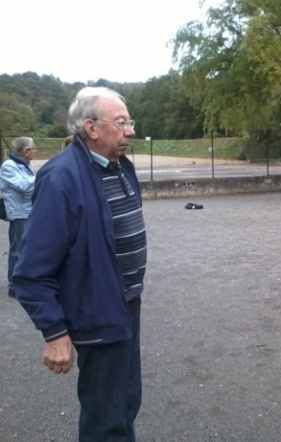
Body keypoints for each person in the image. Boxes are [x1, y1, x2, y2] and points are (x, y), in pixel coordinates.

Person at [13, 86, 147, 441]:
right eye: (121, 122)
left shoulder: (118, 166)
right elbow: (31, 271)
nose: (130, 130)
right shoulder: (61, 179)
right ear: (92, 128)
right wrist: (55, 333)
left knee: (127, 401)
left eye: (129, 121)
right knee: (106, 418)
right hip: (97, 313)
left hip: (125, 306)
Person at [0, 137, 36, 298]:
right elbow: (24, 187)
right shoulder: (9, 166)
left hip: (29, 210)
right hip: (19, 213)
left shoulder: (27, 165)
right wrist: (41, 178)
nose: (35, 151)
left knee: (29, 248)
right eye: (33, 148)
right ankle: (13, 285)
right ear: (25, 151)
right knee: (17, 249)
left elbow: (30, 186)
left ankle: (27, 280)